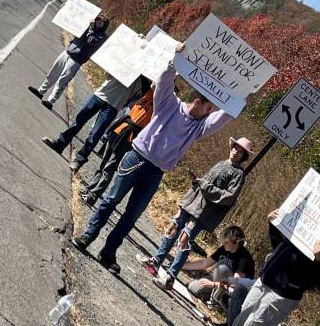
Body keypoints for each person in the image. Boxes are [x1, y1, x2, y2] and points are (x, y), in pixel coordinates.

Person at [71, 48, 242, 274]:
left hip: (156, 172)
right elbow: (164, 80)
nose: (209, 114)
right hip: (137, 158)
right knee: (111, 200)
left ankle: (109, 251)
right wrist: (176, 60)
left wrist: (241, 100)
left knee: (132, 215)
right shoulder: (169, 103)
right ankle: (87, 235)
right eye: (208, 109)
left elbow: (221, 119)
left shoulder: (199, 127)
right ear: (198, 102)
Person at [136, 137, 253, 290]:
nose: (236, 151)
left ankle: (170, 277)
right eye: (235, 147)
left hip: (205, 213)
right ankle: (155, 262)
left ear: (243, 156)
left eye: (240, 151)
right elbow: (206, 183)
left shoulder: (238, 174)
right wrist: (198, 182)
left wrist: (204, 185)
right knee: (173, 228)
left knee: (185, 239)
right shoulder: (221, 163)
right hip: (192, 202)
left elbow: (228, 197)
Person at [213, 210, 320, 326]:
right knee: (242, 321)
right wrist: (273, 226)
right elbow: (280, 247)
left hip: (281, 295)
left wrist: (318, 260)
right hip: (264, 281)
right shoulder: (311, 220)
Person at [42, 74, 151, 172]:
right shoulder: (125, 63)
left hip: (114, 106)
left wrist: (143, 77)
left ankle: (79, 160)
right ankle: (60, 143)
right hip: (100, 95)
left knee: (95, 134)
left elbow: (140, 96)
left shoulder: (144, 81)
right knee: (78, 121)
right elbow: (107, 74)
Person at [81, 87, 154, 206]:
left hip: (129, 136)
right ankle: (89, 188)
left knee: (110, 167)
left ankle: (93, 195)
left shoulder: (160, 106)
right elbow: (146, 82)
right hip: (120, 129)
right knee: (103, 162)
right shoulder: (146, 93)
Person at [28, 15, 109, 110]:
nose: (98, 23)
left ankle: (51, 101)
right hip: (68, 52)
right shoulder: (88, 27)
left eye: (101, 22)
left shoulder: (102, 36)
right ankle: (41, 91)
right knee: (53, 73)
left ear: (104, 25)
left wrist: (91, 28)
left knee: (63, 80)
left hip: (77, 60)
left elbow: (91, 40)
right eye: (97, 20)